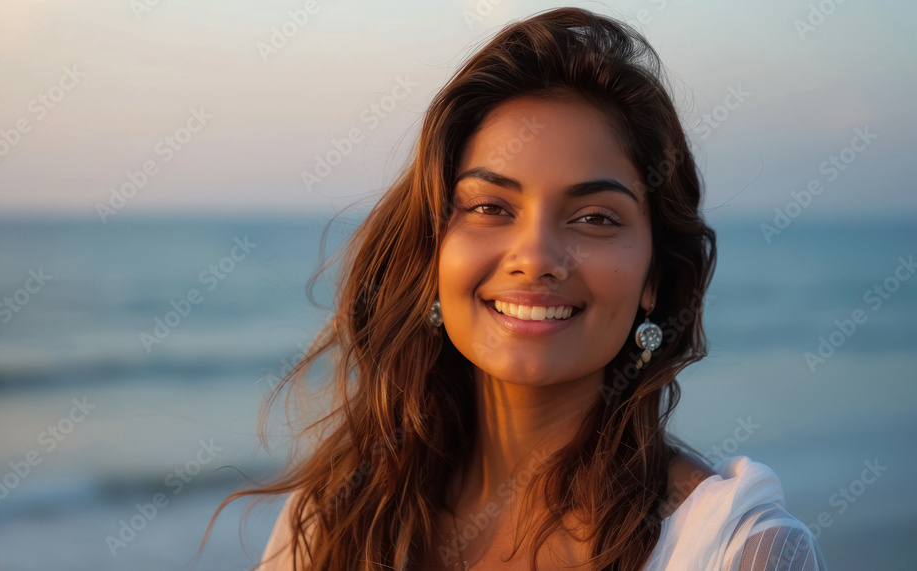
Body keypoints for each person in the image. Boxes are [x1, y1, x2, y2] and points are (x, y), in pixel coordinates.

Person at [197, 7, 828, 570]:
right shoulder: (334, 519)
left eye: (595, 218)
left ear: (653, 279)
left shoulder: (738, 550)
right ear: (432, 253)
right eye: (490, 206)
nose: (535, 258)